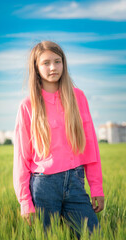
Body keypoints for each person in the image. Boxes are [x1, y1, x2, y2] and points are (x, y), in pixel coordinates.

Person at [13, 41, 104, 238]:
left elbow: (90, 146)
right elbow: (21, 157)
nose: (53, 67)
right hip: (43, 186)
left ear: (64, 64)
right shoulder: (28, 105)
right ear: (36, 68)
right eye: (46, 63)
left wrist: (96, 186)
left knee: (93, 234)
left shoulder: (78, 97)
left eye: (57, 61)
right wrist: (25, 201)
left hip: (75, 182)